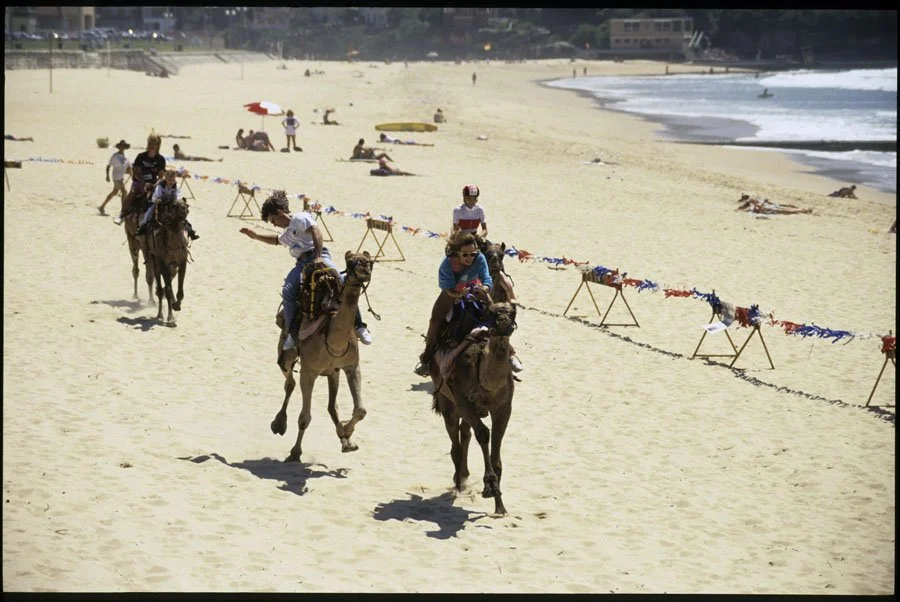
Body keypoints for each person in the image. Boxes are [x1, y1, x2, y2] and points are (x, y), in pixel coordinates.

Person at [239, 191, 372, 355]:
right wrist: (255, 236)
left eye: (273, 220)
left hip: (319, 256)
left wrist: (317, 257)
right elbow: (276, 240)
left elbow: (316, 232)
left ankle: (359, 326)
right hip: (301, 264)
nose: (274, 224)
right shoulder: (287, 232)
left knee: (344, 282)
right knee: (288, 291)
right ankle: (293, 334)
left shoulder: (299, 218)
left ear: (280, 213)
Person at [413, 231, 523, 377]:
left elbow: (486, 278)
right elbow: (448, 289)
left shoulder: (480, 258)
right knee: (435, 321)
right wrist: (460, 294)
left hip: (476, 290)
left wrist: (484, 288)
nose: (470, 258)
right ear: (456, 253)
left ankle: (510, 355)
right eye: (465, 255)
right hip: (452, 294)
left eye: (473, 253)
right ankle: (426, 359)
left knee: (495, 318)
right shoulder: (447, 265)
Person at [114, 132, 165, 225]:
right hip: (139, 183)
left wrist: (155, 184)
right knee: (131, 195)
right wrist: (144, 182)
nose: (151, 145)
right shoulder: (141, 156)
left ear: (158, 145)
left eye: (154, 143)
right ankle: (121, 215)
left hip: (153, 184)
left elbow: (161, 176)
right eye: (150, 142)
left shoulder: (160, 159)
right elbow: (136, 173)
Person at [135, 169, 200, 239]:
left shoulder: (176, 186)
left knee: (182, 215)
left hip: (172, 204)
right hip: (159, 204)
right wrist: (160, 200)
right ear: (166, 179)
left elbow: (178, 196)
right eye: (169, 180)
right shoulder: (160, 186)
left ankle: (190, 232)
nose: (171, 182)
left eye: (173, 180)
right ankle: (142, 228)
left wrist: (177, 201)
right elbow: (155, 197)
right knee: (149, 212)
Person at [99, 139, 131, 215]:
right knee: (124, 191)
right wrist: (107, 176)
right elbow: (108, 166)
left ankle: (102, 206)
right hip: (116, 177)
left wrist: (131, 172)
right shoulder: (115, 156)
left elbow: (127, 166)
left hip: (121, 176)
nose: (122, 148)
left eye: (123, 146)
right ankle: (123, 210)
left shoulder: (126, 155)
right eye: (121, 146)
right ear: (119, 147)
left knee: (115, 192)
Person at [735, 197, 812, 215]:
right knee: (786, 210)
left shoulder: (752, 206)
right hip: (769, 210)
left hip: (770, 208)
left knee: (786, 209)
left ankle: (802, 210)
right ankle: (803, 210)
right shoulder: (751, 208)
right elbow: (760, 210)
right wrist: (760, 204)